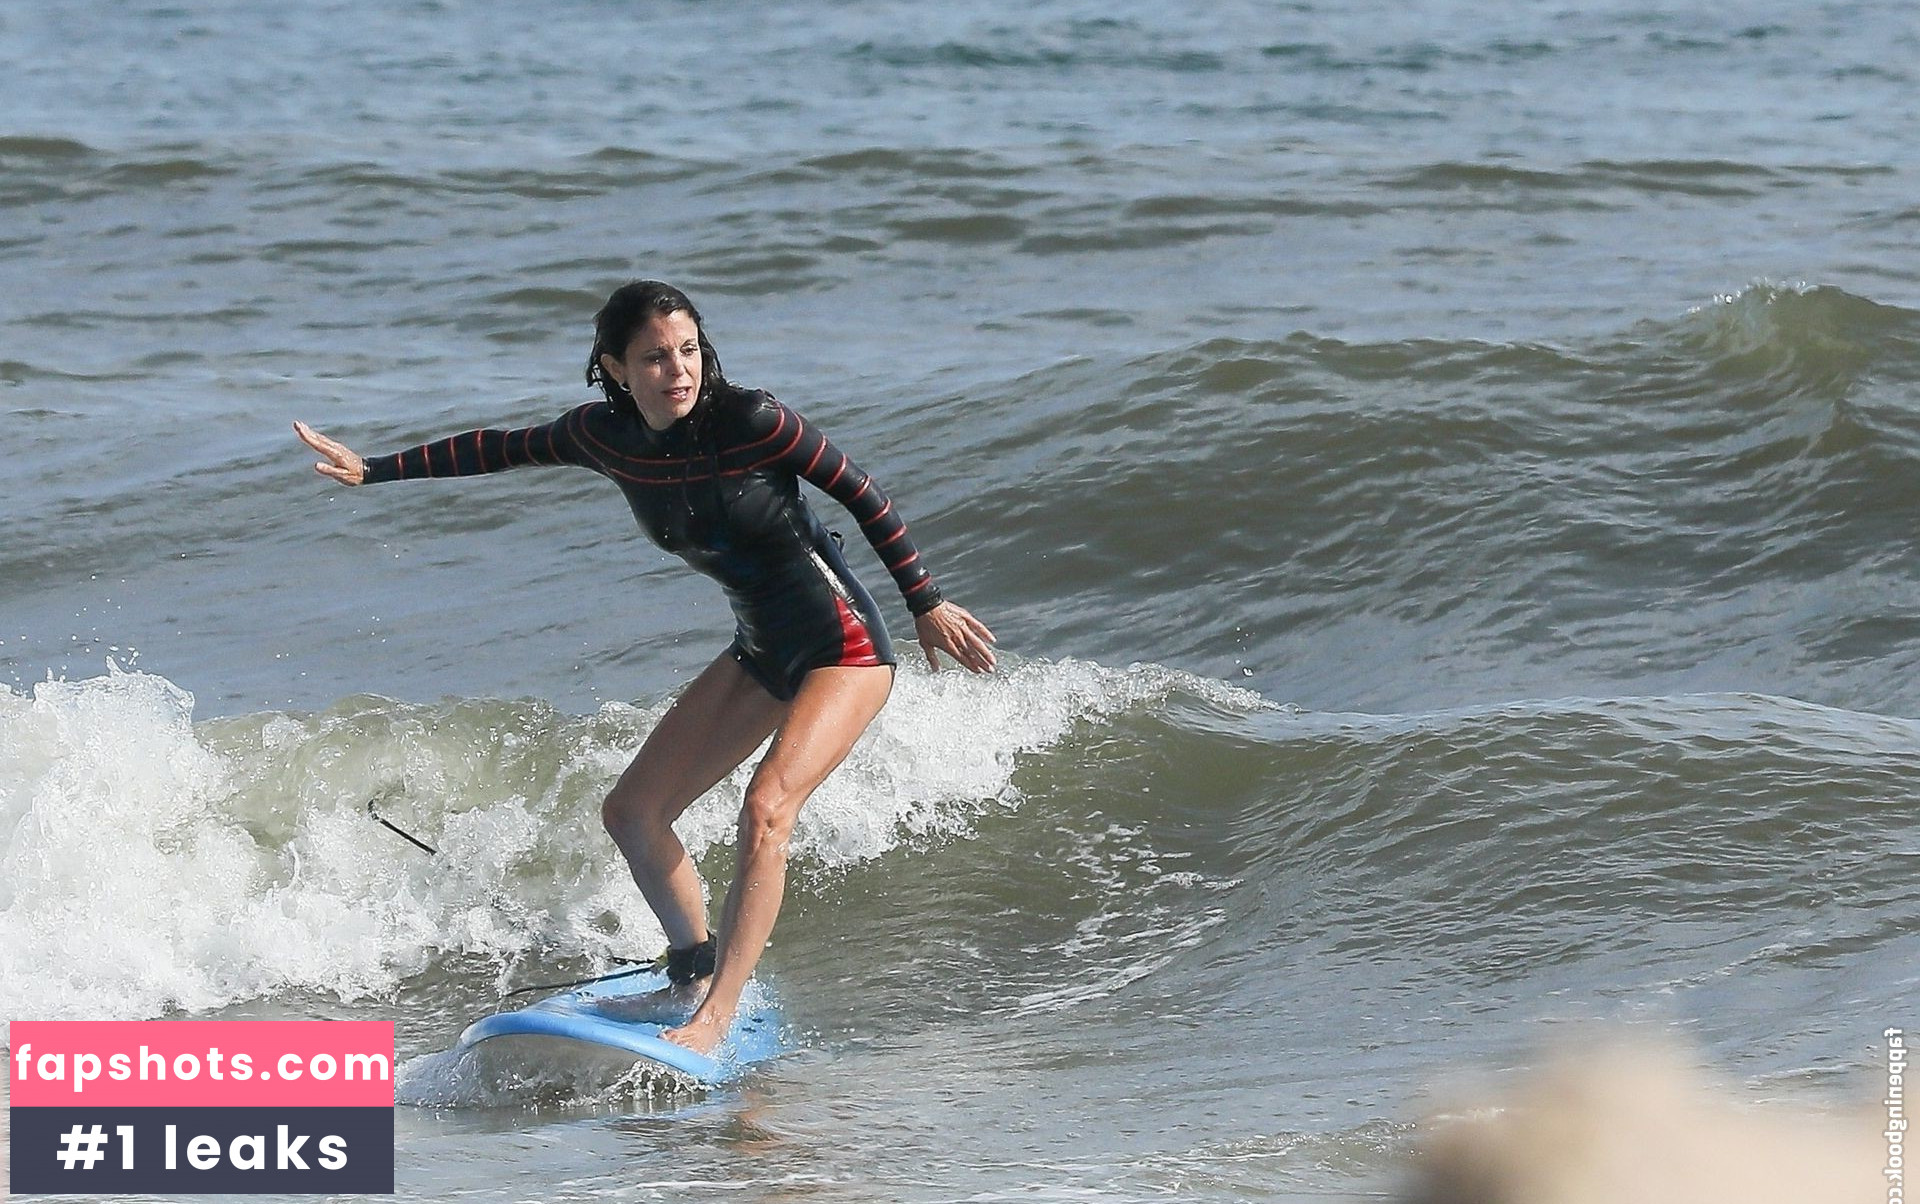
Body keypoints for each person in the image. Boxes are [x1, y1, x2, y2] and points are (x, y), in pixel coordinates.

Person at [294, 280, 995, 1055]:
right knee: (632, 811)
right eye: (655, 357)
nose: (678, 370)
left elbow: (863, 494)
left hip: (846, 648)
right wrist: (374, 470)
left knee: (765, 809)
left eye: (688, 350)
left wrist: (925, 603)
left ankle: (717, 1017)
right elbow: (497, 448)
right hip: (761, 649)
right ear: (616, 368)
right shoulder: (605, 437)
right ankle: (694, 970)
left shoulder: (753, 420)